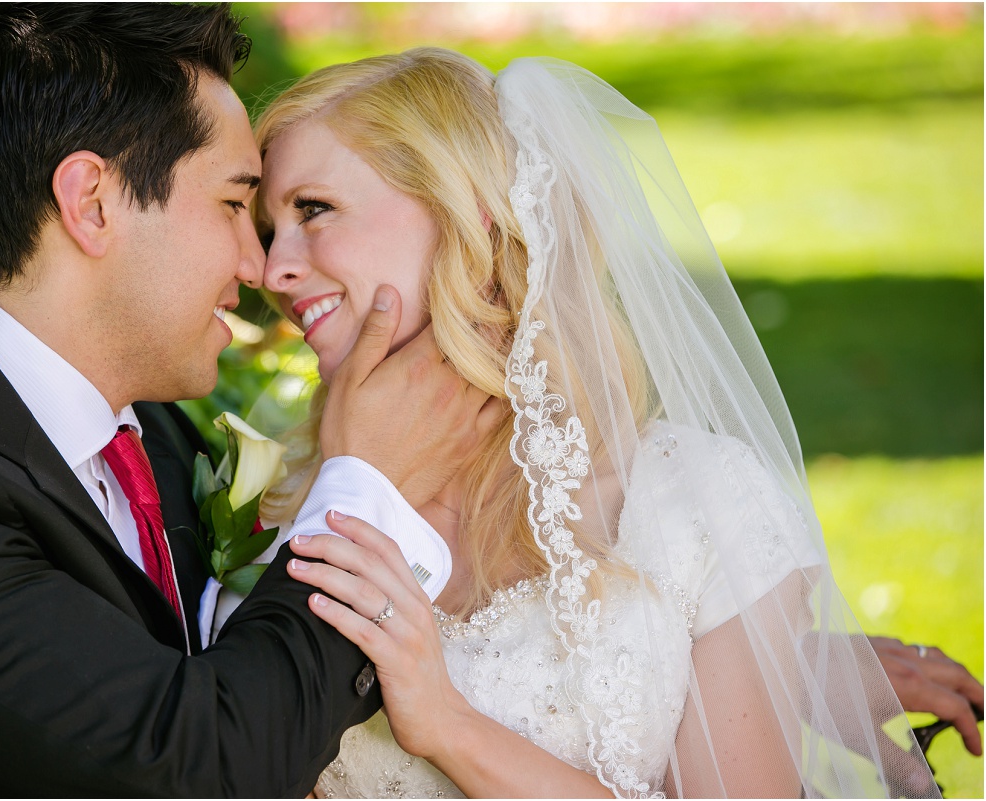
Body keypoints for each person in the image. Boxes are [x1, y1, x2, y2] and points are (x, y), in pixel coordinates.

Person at [0, 8, 502, 797]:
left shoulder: (150, 429)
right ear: (91, 202)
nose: (260, 266)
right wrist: (369, 487)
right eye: (235, 205)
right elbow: (202, 770)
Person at [243, 47, 949, 797]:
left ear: (468, 215)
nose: (269, 269)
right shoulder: (288, 503)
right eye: (267, 226)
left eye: (312, 210)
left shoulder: (696, 502)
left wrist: (450, 724)